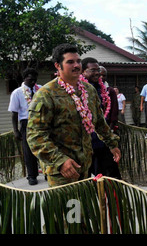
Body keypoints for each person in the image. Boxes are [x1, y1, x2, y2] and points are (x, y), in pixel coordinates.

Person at [27, 44, 121, 187]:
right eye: (70, 62)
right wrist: (60, 161)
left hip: (85, 166)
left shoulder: (89, 90)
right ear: (58, 66)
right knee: (67, 208)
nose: (76, 65)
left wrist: (112, 144)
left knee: (83, 207)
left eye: (78, 61)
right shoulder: (46, 94)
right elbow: (35, 135)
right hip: (62, 171)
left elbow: (100, 123)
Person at [81, 58, 122, 179]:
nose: (97, 73)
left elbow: (102, 117)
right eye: (93, 70)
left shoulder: (102, 89)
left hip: (102, 139)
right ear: (83, 72)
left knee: (110, 176)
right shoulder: (77, 89)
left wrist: (111, 141)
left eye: (98, 70)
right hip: (85, 143)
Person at [8, 68, 42, 185]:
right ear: (24, 78)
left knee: (44, 146)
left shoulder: (41, 89)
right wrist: (16, 130)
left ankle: (47, 172)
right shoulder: (17, 92)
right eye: (30, 78)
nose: (33, 81)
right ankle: (32, 175)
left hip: (41, 121)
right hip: (26, 122)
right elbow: (14, 113)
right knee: (28, 150)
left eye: (35, 79)